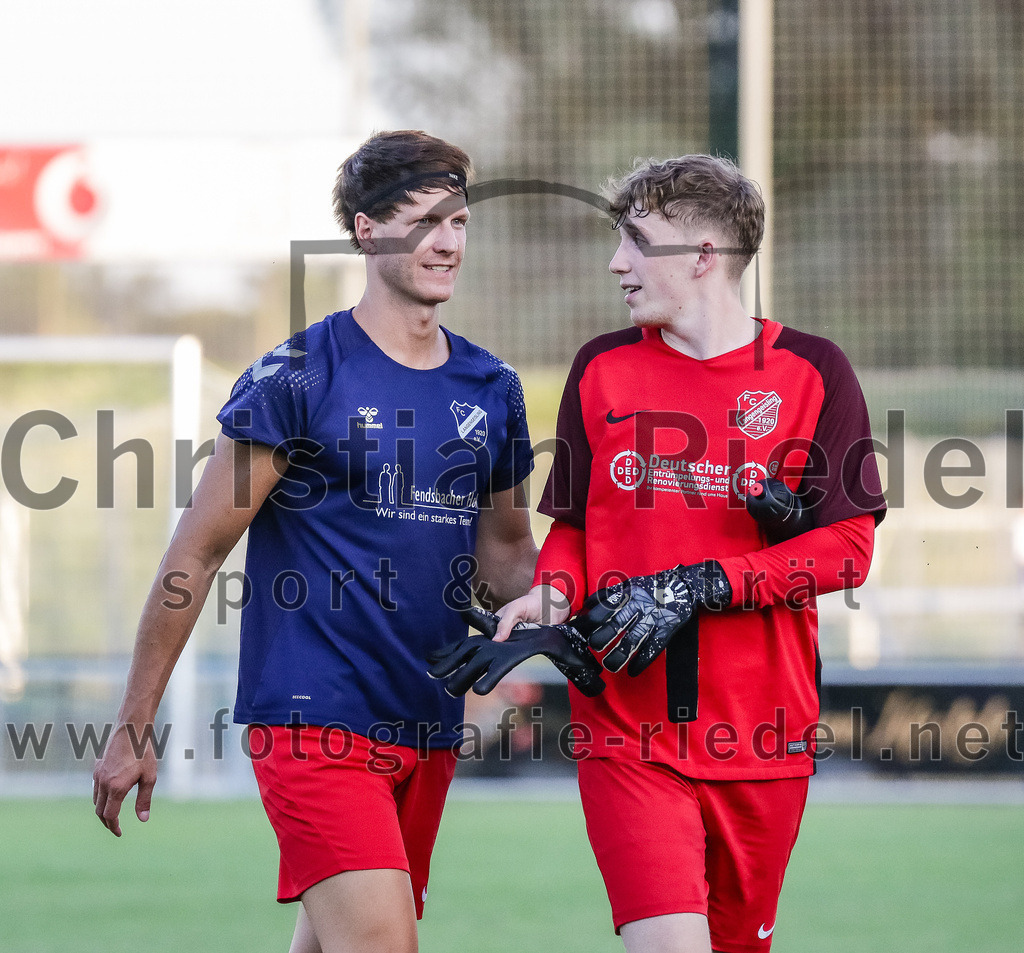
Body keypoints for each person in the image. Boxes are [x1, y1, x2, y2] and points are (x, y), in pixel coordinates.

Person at [92, 129, 539, 953]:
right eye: (424, 220)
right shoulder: (297, 375)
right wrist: (134, 720)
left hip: (427, 718)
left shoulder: (493, 387)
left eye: (459, 222)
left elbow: (509, 553)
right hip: (312, 717)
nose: (447, 241)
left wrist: (573, 605)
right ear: (367, 229)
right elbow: (196, 553)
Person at [431, 154, 886, 953]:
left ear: (703, 254)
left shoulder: (815, 372)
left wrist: (701, 583)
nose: (618, 262)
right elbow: (575, 528)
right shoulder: (601, 369)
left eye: (637, 241)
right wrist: (550, 595)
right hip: (626, 732)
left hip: (763, 736)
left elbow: (848, 550)